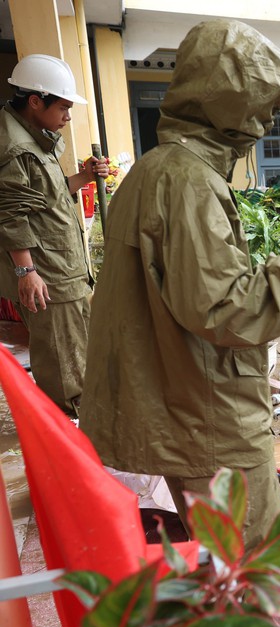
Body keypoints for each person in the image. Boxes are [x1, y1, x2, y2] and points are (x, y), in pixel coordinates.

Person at [79, 20, 280, 553]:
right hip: (210, 417)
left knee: (215, 548)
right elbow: (228, 312)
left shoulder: (152, 170)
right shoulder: (189, 183)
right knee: (250, 556)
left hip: (177, 401)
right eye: (262, 103)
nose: (269, 118)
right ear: (230, 102)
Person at [0, 54, 109, 417]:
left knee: (76, 354)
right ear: (35, 101)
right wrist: (26, 272)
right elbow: (11, 213)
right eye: (63, 107)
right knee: (65, 368)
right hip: (49, 276)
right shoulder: (16, 148)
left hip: (61, 267)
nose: (67, 116)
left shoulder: (32, 136)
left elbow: (46, 194)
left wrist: (85, 177)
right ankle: (73, 433)